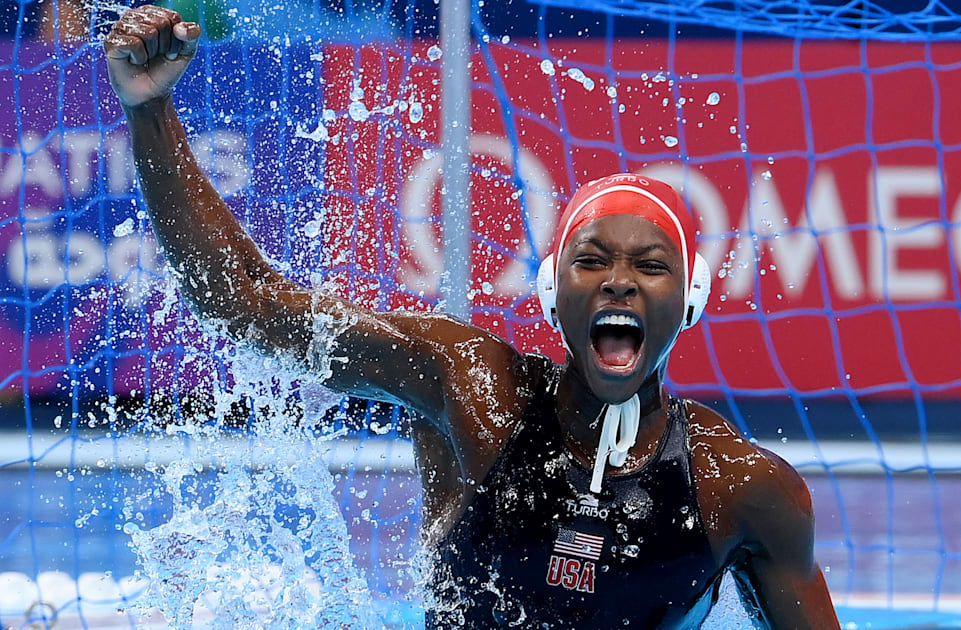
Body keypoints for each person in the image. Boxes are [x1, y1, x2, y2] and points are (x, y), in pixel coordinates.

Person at [104, 6, 840, 629]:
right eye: (593, 262)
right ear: (555, 293)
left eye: (650, 267)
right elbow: (247, 304)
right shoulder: (473, 391)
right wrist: (149, 111)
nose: (619, 283)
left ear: (691, 300)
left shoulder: (740, 489)